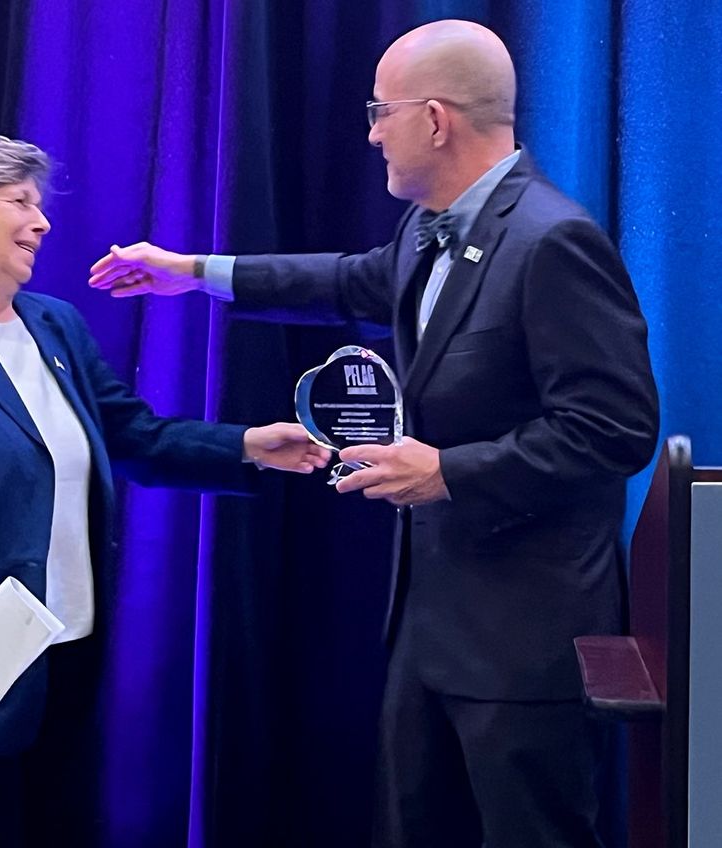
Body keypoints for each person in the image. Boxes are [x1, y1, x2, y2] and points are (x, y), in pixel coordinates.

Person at [88, 19, 659, 848]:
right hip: (427, 636)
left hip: (520, 647)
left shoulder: (551, 241)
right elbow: (345, 280)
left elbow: (615, 429)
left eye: (380, 110)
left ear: (435, 119)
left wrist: (448, 472)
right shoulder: (432, 232)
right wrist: (192, 273)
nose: (369, 132)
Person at [0, 131, 329, 847]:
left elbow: (135, 437)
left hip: (65, 648)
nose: (42, 221)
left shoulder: (54, 324)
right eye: (20, 203)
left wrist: (248, 447)